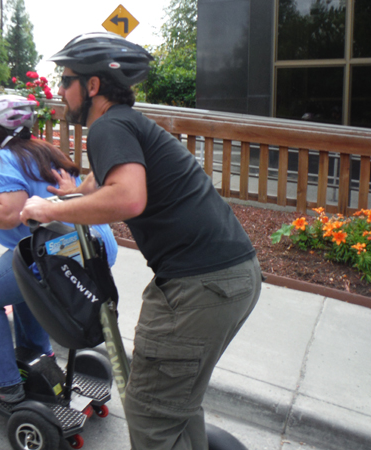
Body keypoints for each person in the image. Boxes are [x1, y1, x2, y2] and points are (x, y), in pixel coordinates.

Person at [20, 32, 262, 449]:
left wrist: (49, 210)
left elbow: (129, 196)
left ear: (92, 86)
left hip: (198, 287)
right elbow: (110, 180)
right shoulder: (129, 123)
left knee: (150, 412)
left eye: (66, 80)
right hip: (231, 277)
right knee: (176, 404)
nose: (60, 90)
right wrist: (71, 195)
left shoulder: (108, 126)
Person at [0, 94, 117, 403]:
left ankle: (3, 384)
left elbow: (10, 213)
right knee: (24, 287)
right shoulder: (44, 150)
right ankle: (40, 362)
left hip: (57, 252)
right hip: (92, 245)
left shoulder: (1, 160)